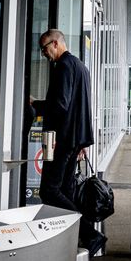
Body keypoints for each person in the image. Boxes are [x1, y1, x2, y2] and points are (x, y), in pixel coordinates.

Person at [32, 30, 94, 234]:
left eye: (44, 48)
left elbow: (60, 105)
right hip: (76, 138)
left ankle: (89, 233)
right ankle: (73, 237)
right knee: (66, 190)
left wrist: (36, 104)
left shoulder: (64, 66)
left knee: (49, 190)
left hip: (64, 138)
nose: (44, 54)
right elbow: (80, 106)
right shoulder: (81, 67)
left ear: (56, 43)